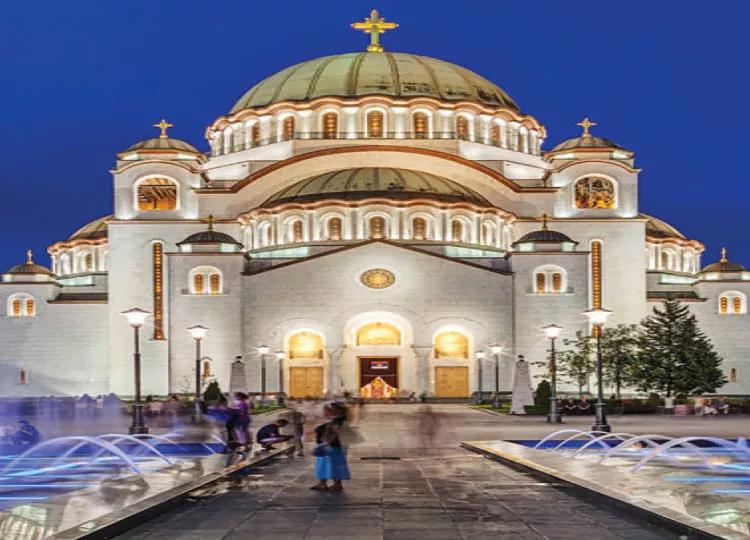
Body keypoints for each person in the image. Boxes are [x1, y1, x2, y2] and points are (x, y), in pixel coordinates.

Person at [311, 402, 351, 492]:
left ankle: (335, 484)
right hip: (335, 446)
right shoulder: (338, 420)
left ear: (331, 411)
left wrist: (327, 443)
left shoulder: (337, 421)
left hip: (332, 447)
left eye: (325, 410)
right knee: (328, 464)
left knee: (331, 465)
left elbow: (335, 433)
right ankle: (324, 483)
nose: (323, 412)